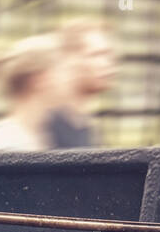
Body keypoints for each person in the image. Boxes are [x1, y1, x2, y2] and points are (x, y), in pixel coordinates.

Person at [46, 20, 118, 148]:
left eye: (109, 55)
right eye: (96, 54)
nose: (108, 63)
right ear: (68, 59)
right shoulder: (43, 126)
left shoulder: (82, 124)